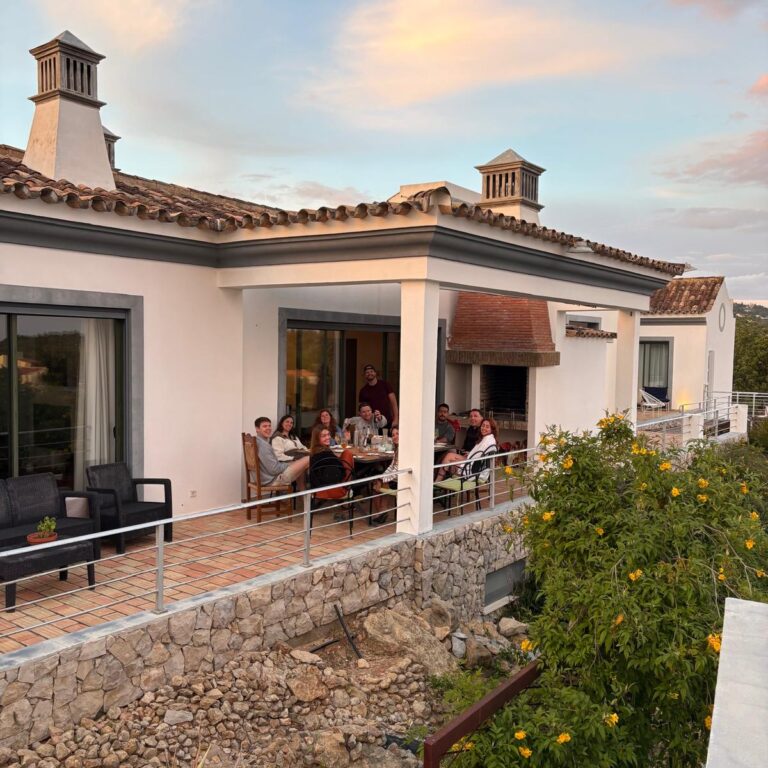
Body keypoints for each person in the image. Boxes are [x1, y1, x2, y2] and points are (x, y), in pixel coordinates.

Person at [309, 426, 356, 516]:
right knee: (347, 454)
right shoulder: (327, 454)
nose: (328, 437)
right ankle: (348, 498)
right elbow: (340, 474)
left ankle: (347, 500)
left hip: (316, 490)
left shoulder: (313, 453)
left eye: (328, 434)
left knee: (345, 455)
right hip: (332, 490)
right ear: (317, 438)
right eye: (323, 436)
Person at [254, 416, 309, 489]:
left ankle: (305, 495)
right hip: (273, 479)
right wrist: (292, 463)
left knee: (304, 463)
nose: (268, 428)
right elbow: (274, 469)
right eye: (264, 426)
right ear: (257, 429)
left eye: (269, 426)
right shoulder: (263, 445)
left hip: (267, 477)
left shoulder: (258, 441)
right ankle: (314, 492)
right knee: (310, 458)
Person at [372, 425, 399, 524]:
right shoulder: (397, 449)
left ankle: (382, 512)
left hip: (402, 479)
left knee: (376, 484)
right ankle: (382, 511)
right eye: (393, 435)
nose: (395, 436)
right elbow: (391, 466)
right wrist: (382, 477)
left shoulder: (404, 450)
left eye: (398, 434)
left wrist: (382, 479)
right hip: (396, 478)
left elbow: (397, 470)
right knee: (377, 481)